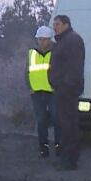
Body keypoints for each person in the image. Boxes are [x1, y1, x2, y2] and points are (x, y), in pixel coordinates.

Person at [49, 14, 85, 170]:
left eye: (57, 24)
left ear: (66, 25)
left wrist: (65, 86)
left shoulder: (72, 41)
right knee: (64, 124)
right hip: (62, 89)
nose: (54, 27)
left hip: (67, 91)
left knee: (69, 125)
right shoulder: (63, 41)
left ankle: (70, 160)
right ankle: (67, 157)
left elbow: (74, 68)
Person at [27, 25, 59, 158]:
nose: (42, 42)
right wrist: (30, 87)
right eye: (39, 39)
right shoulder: (32, 53)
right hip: (37, 92)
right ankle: (43, 148)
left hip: (52, 92)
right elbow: (27, 71)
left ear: (49, 39)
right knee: (41, 120)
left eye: (44, 39)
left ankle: (59, 146)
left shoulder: (56, 52)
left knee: (57, 118)